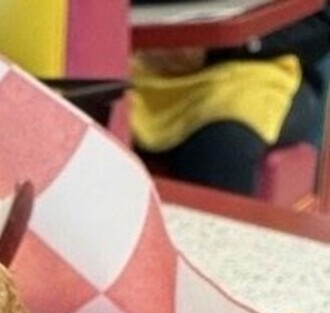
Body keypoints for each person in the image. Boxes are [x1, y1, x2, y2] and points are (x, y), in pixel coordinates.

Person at [130, 5, 330, 196]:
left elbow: (320, 22)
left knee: (223, 143)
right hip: (145, 57)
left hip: (260, 68)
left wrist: (219, 49)